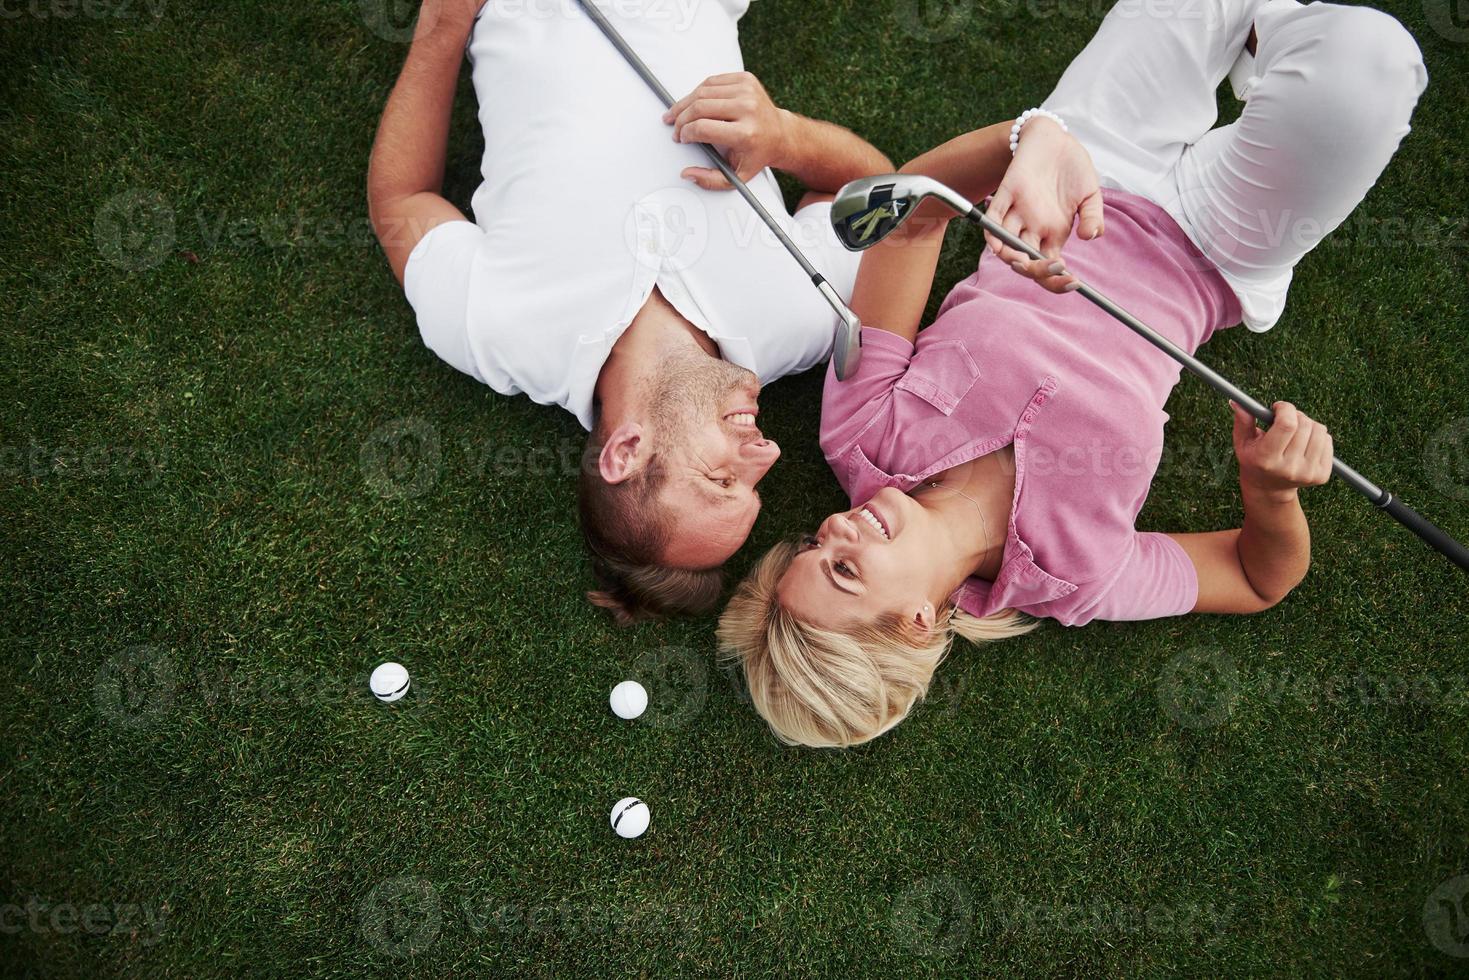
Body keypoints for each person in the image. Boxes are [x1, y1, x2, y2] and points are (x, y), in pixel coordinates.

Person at [718, 0, 1428, 747]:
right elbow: (1257, 580)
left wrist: (1023, 142)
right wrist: (1270, 489)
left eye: (811, 546)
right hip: (1217, 249)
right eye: (843, 571)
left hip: (1088, 154)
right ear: (916, 622)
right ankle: (1270, 47)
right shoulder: (1076, 576)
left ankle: (1260, 42)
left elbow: (909, 224)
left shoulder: (858, 435)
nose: (834, 530)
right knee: (1369, 62)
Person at [366, 0, 890, 622]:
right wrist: (785, 137)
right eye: (755, 487)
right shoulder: (800, 322)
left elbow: (401, 202)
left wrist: (444, 23)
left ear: (626, 451)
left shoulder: (501, 333)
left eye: (723, 481)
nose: (769, 453)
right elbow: (877, 193)